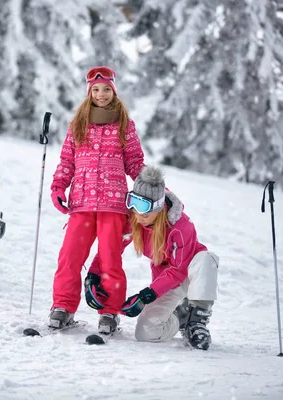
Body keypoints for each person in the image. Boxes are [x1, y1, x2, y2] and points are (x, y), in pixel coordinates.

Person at [48, 66, 145, 334]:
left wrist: (152, 187)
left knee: (110, 260)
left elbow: (135, 163)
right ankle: (63, 307)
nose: (101, 94)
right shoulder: (78, 124)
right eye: (96, 90)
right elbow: (67, 161)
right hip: (81, 204)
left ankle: (110, 312)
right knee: (69, 257)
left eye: (106, 90)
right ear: (89, 92)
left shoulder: (125, 125)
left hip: (114, 207)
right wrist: (59, 186)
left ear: (114, 92)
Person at [90, 164, 219, 350]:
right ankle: (181, 316)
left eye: (143, 206)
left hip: (190, 277)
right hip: (166, 283)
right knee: (145, 333)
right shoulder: (135, 219)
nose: (137, 212)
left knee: (206, 258)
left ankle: (197, 321)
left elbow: (178, 270)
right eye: (133, 202)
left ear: (158, 207)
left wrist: (147, 295)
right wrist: (93, 275)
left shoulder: (181, 228)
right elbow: (112, 249)